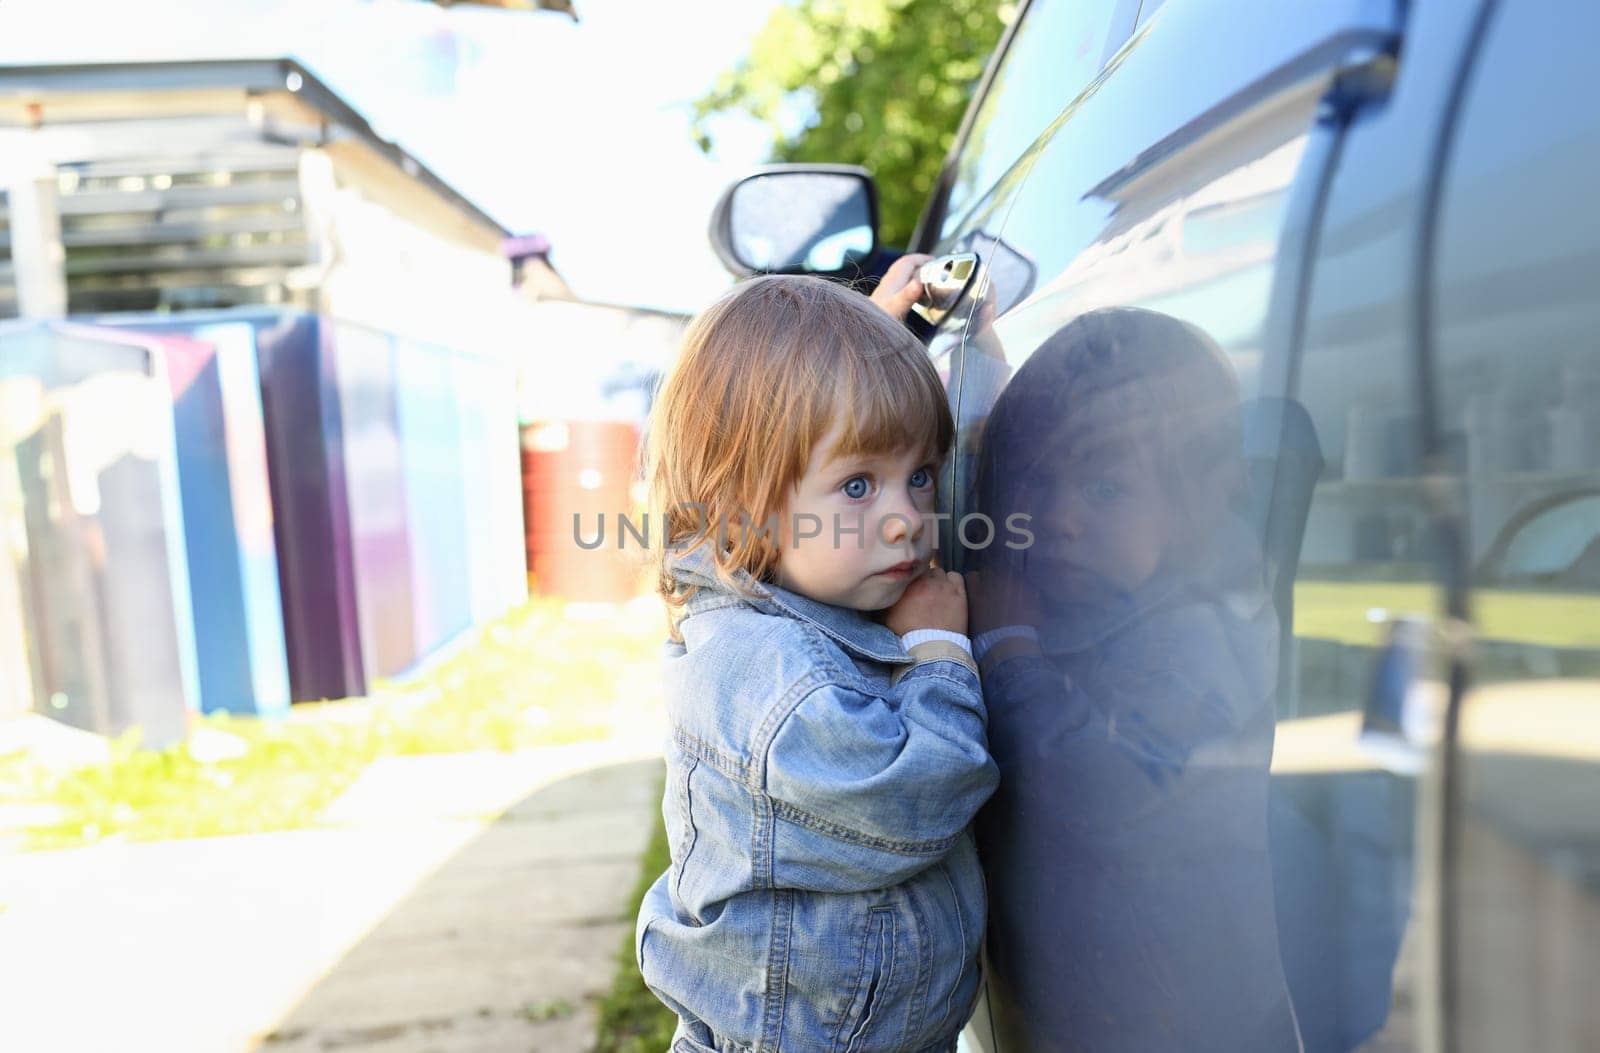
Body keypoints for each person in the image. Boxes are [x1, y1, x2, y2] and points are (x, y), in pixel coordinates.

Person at [633, 265, 1000, 1053]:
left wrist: (871, 346)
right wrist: (940, 652)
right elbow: (916, 795)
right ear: (745, 503)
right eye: (861, 485)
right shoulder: (773, 675)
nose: (907, 519)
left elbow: (799, 436)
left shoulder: (791, 582)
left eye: (922, 476)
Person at [965, 307, 1302, 1052]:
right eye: (1038, 482)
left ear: (1199, 505)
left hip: (1184, 1019)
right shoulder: (1096, 597)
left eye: (1106, 490)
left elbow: (1105, 781)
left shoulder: (1205, 634)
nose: (1057, 517)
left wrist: (1011, 654)